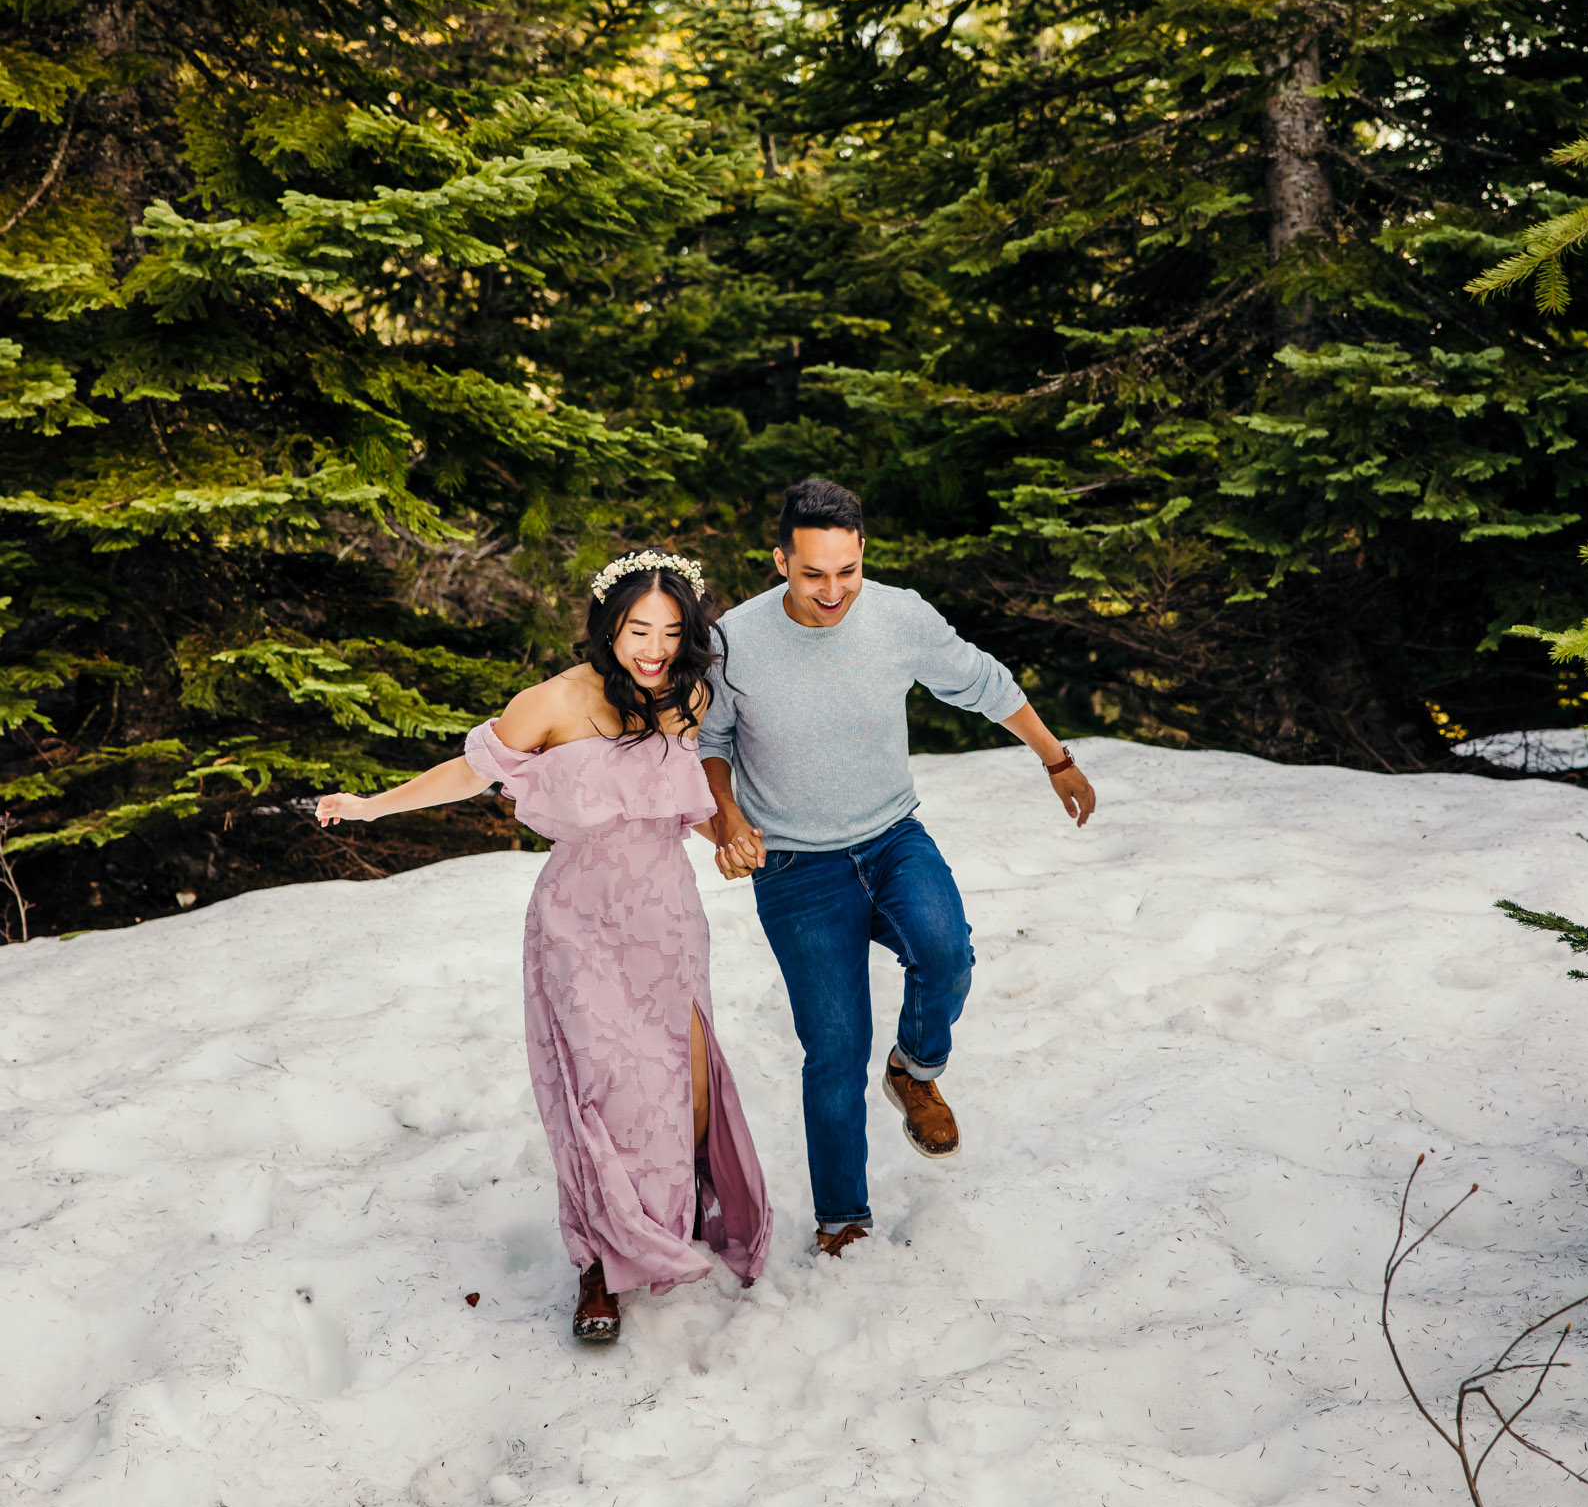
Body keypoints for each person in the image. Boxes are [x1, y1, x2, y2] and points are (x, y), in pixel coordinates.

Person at [315, 551, 772, 1344]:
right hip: (579, 919)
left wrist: (728, 835)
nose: (654, 647)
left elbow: (673, 804)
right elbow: (468, 772)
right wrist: (371, 807)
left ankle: (666, 1215)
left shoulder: (688, 697)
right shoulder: (552, 702)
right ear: (607, 626)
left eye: (670, 631)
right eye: (638, 629)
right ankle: (599, 1263)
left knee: (680, 1083)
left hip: (666, 914)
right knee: (598, 1089)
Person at [699, 478, 1094, 1256]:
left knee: (946, 951)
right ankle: (842, 1219)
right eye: (812, 573)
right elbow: (708, 744)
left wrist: (1056, 759)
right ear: (780, 560)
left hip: (890, 837)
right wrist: (729, 820)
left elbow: (984, 682)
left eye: (845, 571)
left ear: (861, 555)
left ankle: (915, 1068)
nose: (831, 591)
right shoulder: (732, 643)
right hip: (793, 868)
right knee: (835, 1047)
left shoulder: (899, 615)